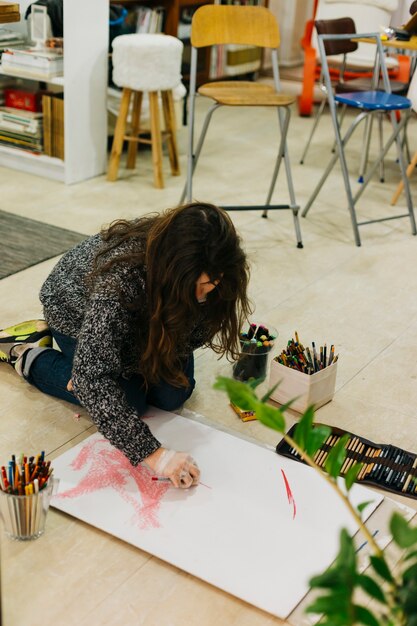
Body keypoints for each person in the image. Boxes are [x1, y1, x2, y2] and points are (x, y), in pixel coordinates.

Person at [0, 203, 251, 489]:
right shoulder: (119, 284)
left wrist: (163, 343)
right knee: (128, 400)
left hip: (140, 319)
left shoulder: (215, 270)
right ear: (175, 274)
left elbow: (188, 334)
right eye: (201, 285)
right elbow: (93, 377)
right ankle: (30, 354)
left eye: (213, 283)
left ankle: (103, 363)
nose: (209, 293)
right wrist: (154, 454)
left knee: (174, 394)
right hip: (74, 308)